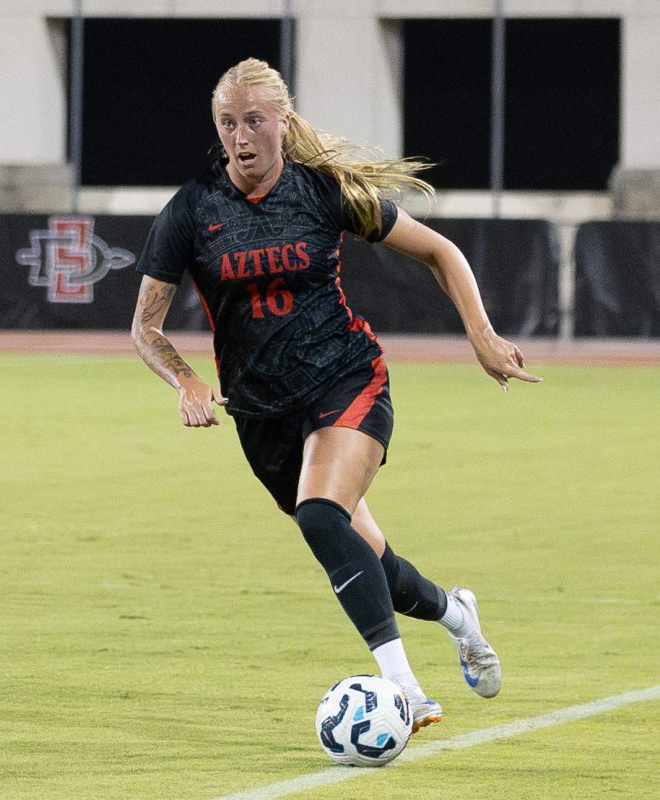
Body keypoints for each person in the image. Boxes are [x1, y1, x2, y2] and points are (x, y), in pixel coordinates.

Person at [130, 58, 540, 731]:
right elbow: (145, 327)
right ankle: (458, 615)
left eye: (254, 121)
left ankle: (403, 692)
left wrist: (483, 334)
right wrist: (187, 379)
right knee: (378, 567)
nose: (240, 135)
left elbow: (441, 251)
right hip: (263, 416)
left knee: (321, 513)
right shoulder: (191, 210)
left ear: (282, 124)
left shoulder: (323, 192)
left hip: (347, 379)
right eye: (228, 122)